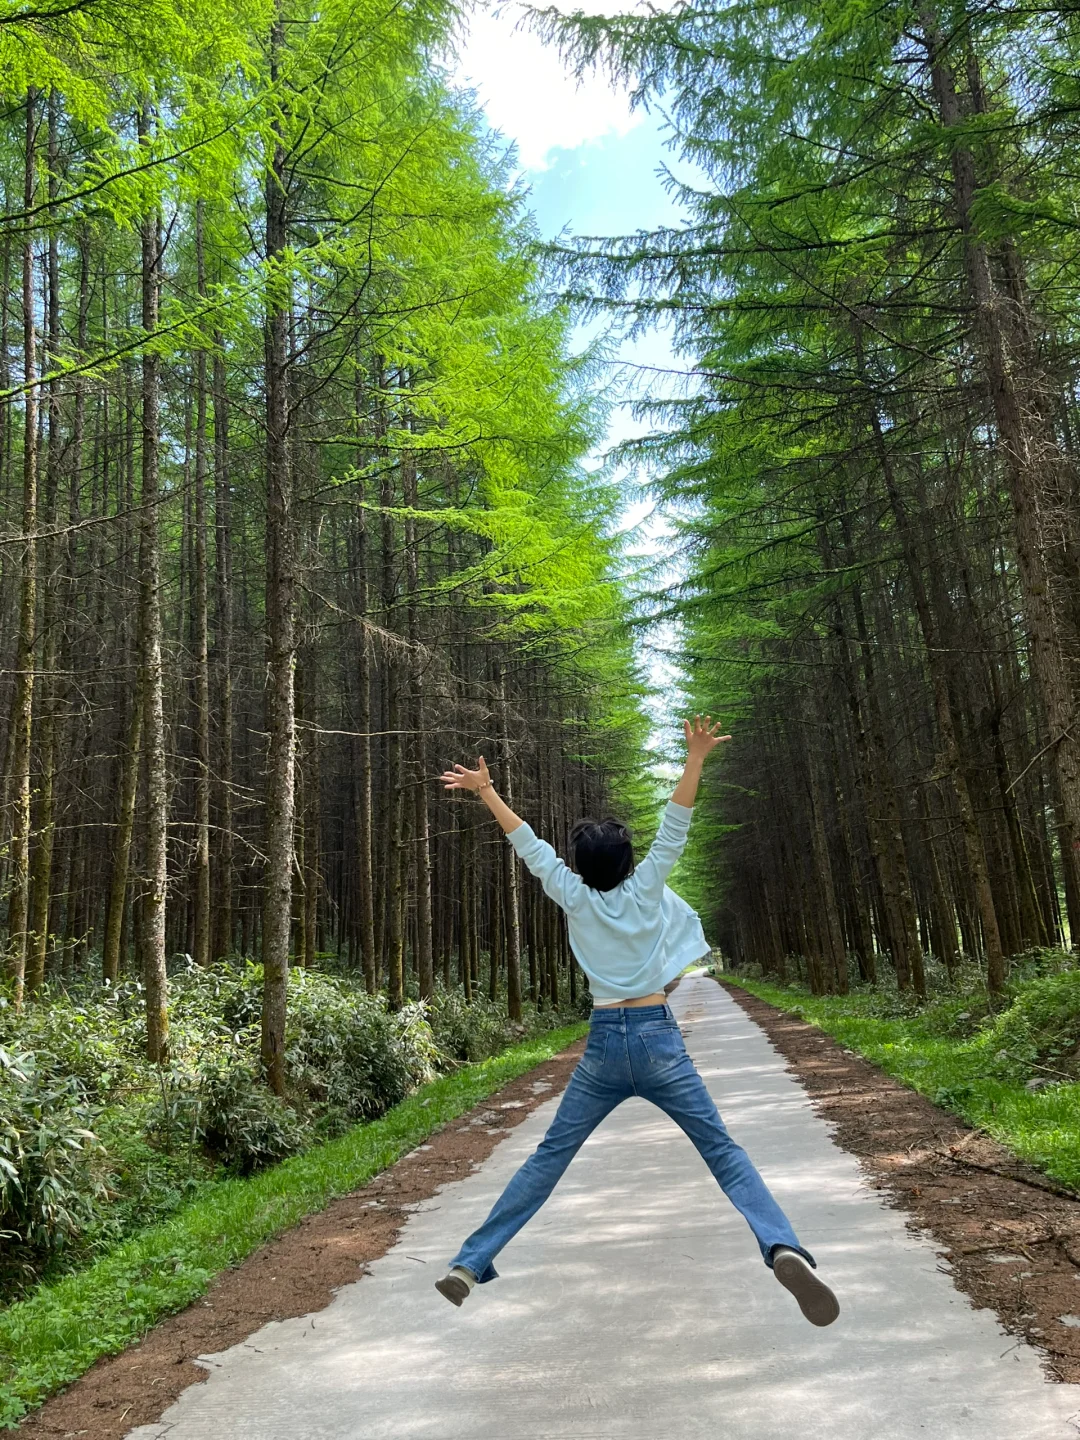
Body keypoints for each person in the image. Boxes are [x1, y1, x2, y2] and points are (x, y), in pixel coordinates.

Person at [433, 715, 839, 1328]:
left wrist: (486, 790)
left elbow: (528, 845)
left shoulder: (571, 894)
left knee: (547, 1158)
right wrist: (695, 757)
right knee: (723, 1151)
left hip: (602, 1047)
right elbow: (676, 826)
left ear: (581, 865)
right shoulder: (648, 889)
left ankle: (470, 1263)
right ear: (628, 863)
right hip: (657, 1039)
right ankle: (781, 1245)